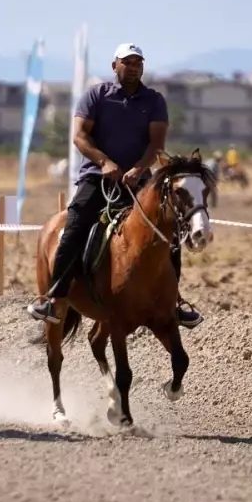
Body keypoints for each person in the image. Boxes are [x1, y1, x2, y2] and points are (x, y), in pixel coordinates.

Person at [26, 43, 203, 329]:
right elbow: (80, 137)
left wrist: (139, 169)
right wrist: (104, 162)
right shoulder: (96, 96)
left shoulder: (154, 100)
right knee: (75, 225)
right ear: (114, 65)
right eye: (127, 62)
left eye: (138, 63)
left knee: (167, 231)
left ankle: (173, 301)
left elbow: (156, 144)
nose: (133, 68)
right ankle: (54, 297)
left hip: (139, 182)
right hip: (96, 178)